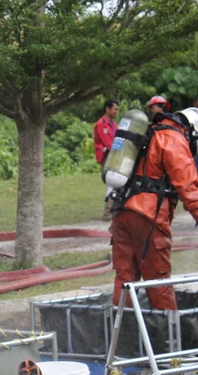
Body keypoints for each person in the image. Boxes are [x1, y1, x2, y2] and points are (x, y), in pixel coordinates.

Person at [110, 107, 198, 310]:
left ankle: (123, 334)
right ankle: (168, 338)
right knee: (159, 280)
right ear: (192, 130)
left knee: (125, 279)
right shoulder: (172, 138)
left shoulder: (150, 132)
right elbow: (189, 187)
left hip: (122, 212)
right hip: (147, 217)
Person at [93, 99, 119, 220]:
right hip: (107, 157)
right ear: (107, 109)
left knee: (115, 183)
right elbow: (108, 143)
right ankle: (108, 212)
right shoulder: (101, 124)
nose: (116, 112)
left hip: (113, 156)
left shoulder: (113, 124)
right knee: (112, 183)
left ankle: (112, 210)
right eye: (115, 109)